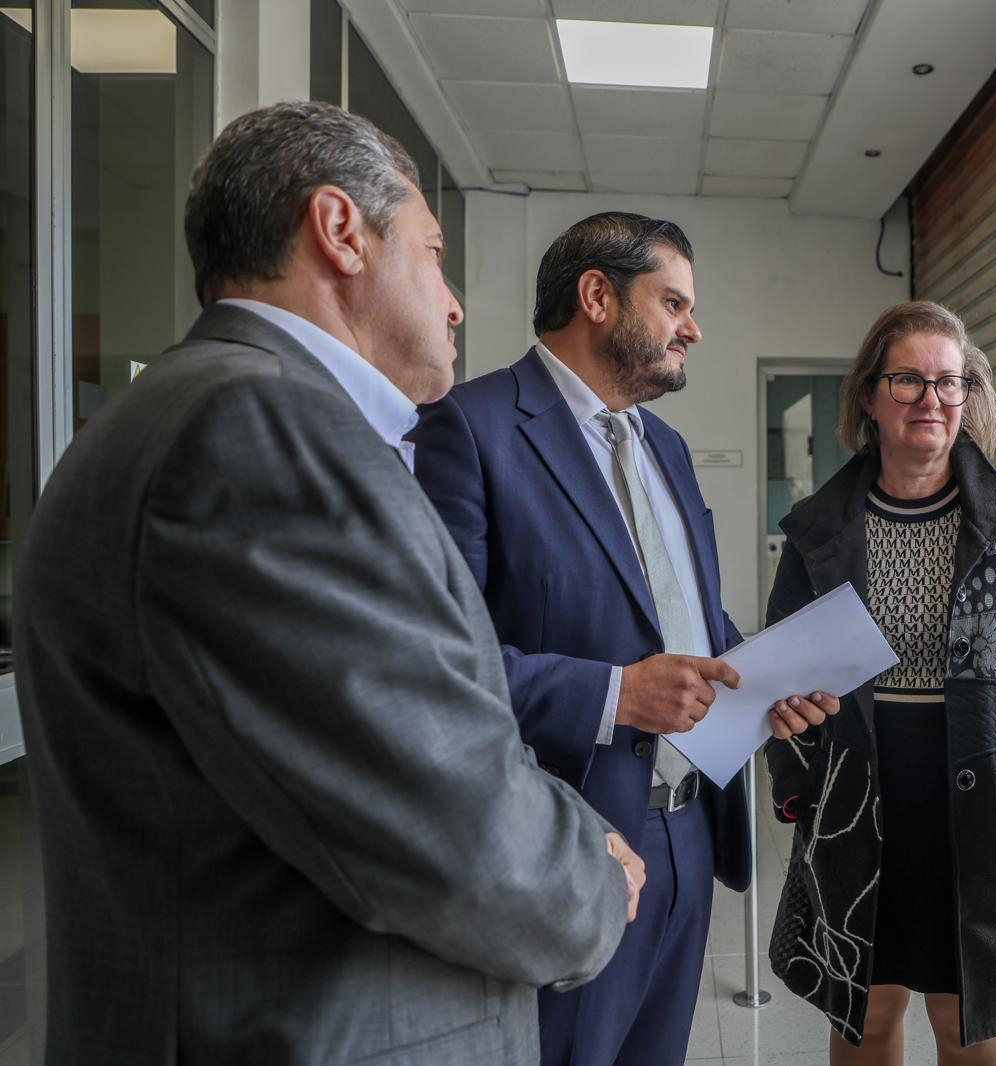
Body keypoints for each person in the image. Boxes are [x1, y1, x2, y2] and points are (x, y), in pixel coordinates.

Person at [13, 101, 641, 1066]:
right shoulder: (260, 429)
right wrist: (592, 878)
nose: (455, 302)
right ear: (341, 230)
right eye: (433, 253)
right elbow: (446, 820)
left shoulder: (192, 412)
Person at [408, 210, 838, 1066]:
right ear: (597, 296)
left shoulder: (665, 447)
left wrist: (763, 679)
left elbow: (689, 618)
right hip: (571, 837)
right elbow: (434, 664)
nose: (694, 329)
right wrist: (616, 695)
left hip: (689, 829)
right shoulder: (470, 428)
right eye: (674, 303)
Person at [763, 301, 996, 1065]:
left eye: (951, 382)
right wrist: (797, 787)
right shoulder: (817, 527)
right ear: (869, 397)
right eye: (908, 380)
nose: (932, 400)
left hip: (982, 806)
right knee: (867, 1013)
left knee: (967, 1018)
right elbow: (782, 678)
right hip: (856, 802)